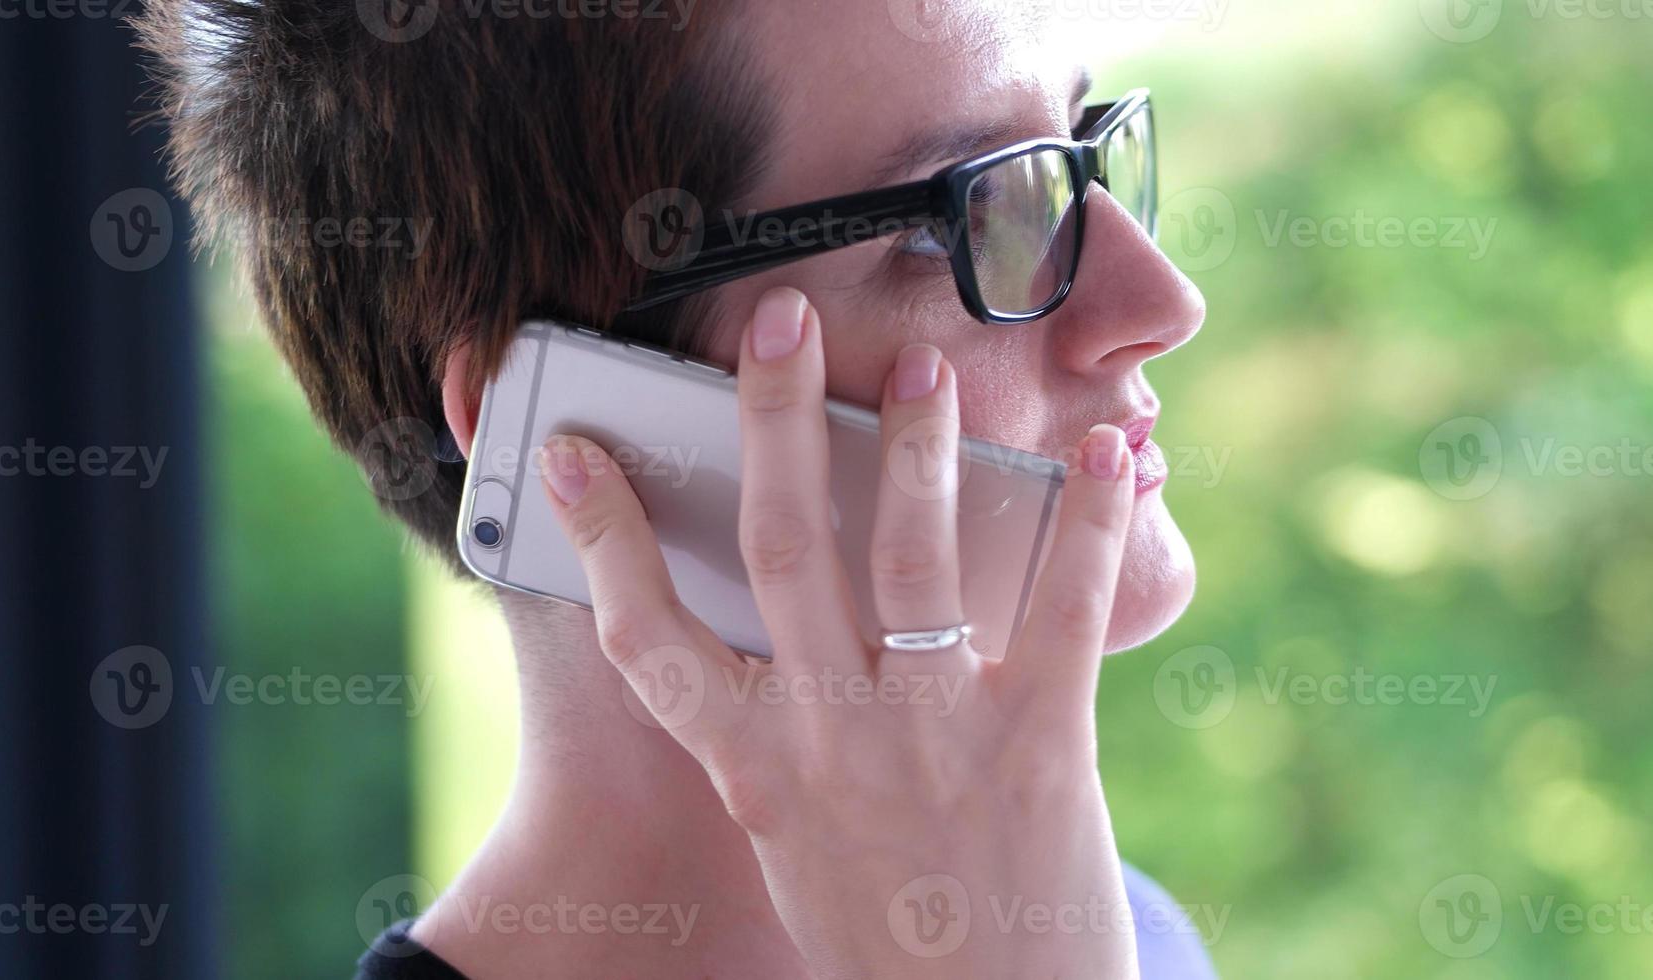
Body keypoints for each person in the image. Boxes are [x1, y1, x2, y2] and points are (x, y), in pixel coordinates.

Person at [139, 0, 1210, 974]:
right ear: (566, 427)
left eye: (1077, 154)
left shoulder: (1106, 930)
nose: (1160, 300)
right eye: (955, 221)